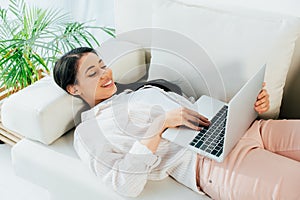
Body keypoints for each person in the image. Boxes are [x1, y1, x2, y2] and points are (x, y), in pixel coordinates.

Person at [53, 47, 300, 200]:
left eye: (103, 66)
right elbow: (125, 184)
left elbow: (194, 108)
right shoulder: (89, 132)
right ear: (74, 89)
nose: (105, 74)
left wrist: (251, 105)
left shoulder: (137, 91)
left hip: (244, 128)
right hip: (214, 163)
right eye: (92, 73)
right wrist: (158, 125)